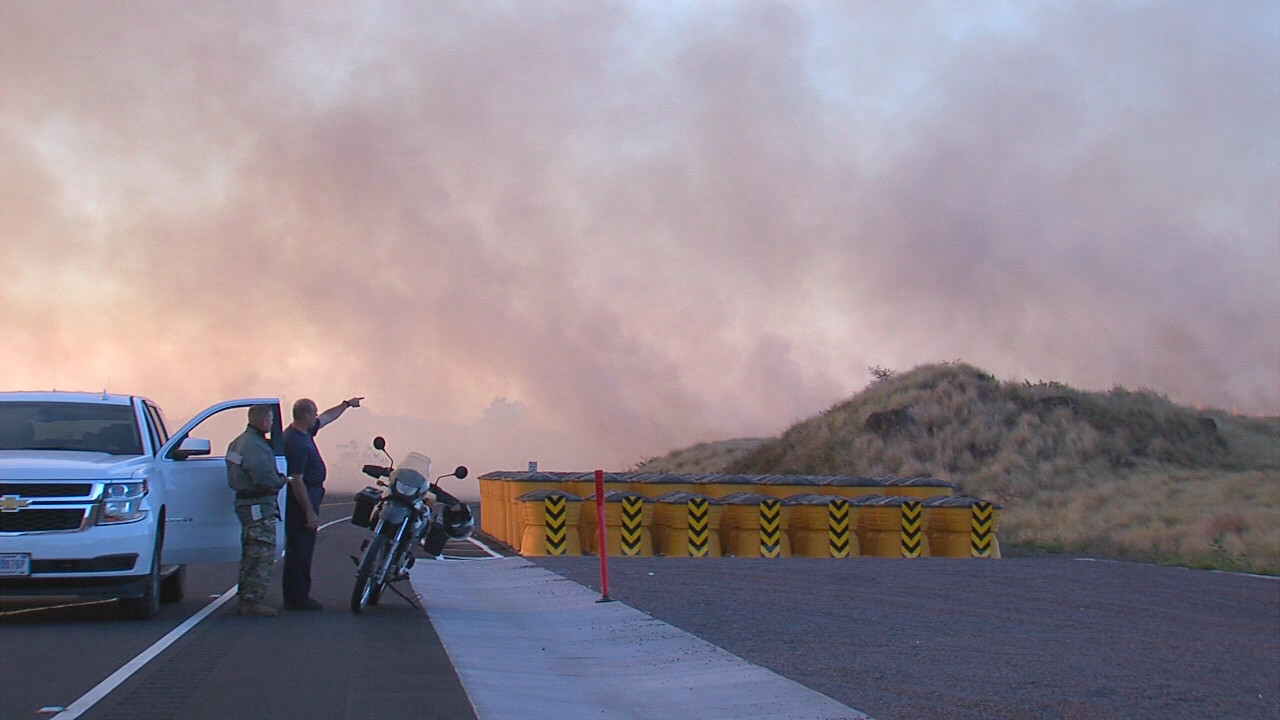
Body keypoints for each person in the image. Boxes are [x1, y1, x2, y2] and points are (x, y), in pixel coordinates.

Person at [281, 395, 363, 611]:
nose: (317, 416)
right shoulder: (295, 442)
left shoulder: (303, 432)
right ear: (305, 416)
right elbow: (295, 480)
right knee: (300, 548)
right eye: (313, 413)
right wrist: (309, 512)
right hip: (303, 498)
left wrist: (346, 405)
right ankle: (297, 598)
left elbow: (327, 417)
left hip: (312, 492)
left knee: (303, 547)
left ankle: (297, 595)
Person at [225, 404, 288, 618]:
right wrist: (280, 480)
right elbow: (263, 478)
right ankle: (252, 600)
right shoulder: (255, 446)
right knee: (261, 553)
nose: (271, 423)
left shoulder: (238, 442)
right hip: (258, 506)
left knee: (251, 552)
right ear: (262, 421)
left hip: (246, 505)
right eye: (270, 420)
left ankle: (247, 596)